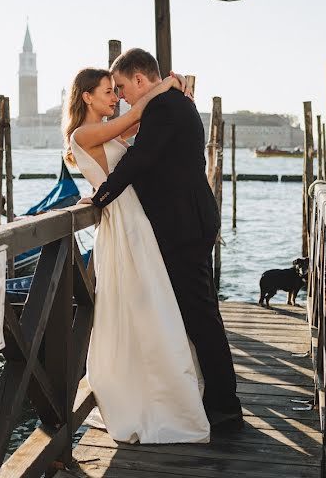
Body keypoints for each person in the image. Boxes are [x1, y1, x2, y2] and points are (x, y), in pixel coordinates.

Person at [82, 48, 244, 432]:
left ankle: (225, 406)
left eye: (121, 86)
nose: (120, 95)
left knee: (201, 316)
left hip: (184, 227)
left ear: (140, 80)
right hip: (190, 221)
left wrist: (101, 196)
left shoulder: (165, 108)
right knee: (197, 314)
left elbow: (140, 160)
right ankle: (213, 397)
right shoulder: (172, 103)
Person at [66, 66, 211, 444]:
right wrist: (167, 84)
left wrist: (172, 89)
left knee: (153, 305)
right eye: (107, 91)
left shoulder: (101, 130)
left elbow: (140, 125)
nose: (115, 98)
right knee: (145, 305)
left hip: (133, 219)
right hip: (125, 223)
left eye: (117, 90)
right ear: (87, 97)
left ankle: (160, 389)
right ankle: (151, 394)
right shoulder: (83, 132)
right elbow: (134, 117)